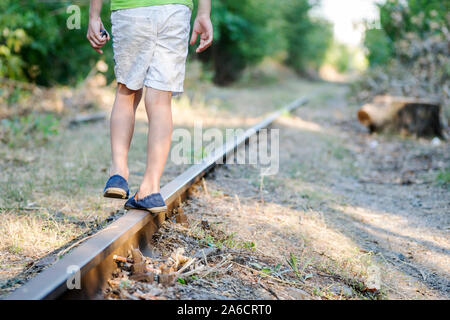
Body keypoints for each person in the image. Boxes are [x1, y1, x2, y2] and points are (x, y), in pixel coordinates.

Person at [87, 0, 213, 213]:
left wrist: (94, 15)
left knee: (126, 92)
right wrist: (204, 13)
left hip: (131, 9)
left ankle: (118, 173)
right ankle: (150, 188)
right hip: (174, 11)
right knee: (160, 100)